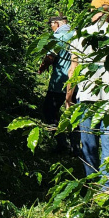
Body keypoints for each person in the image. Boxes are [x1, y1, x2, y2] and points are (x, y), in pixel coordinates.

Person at [65, 0, 109, 189]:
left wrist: (68, 98)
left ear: (91, 12)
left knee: (88, 146)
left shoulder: (79, 37)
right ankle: (107, 191)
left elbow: (73, 71)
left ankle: (91, 187)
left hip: (87, 99)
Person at [39, 15, 75, 152]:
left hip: (60, 83)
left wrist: (42, 68)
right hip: (77, 82)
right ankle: (76, 147)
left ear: (56, 24)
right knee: (73, 113)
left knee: (49, 110)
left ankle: (62, 143)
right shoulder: (76, 35)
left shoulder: (59, 37)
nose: (51, 28)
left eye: (51, 25)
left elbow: (50, 57)